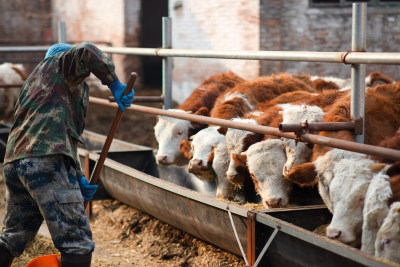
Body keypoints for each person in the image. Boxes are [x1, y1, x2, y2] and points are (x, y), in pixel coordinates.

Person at [0, 42, 134, 267]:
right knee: (77, 242)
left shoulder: (36, 85)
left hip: (15, 162)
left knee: (13, 235)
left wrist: (77, 176)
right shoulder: (60, 65)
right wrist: (115, 84)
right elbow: (87, 51)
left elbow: (62, 134)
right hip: (45, 162)